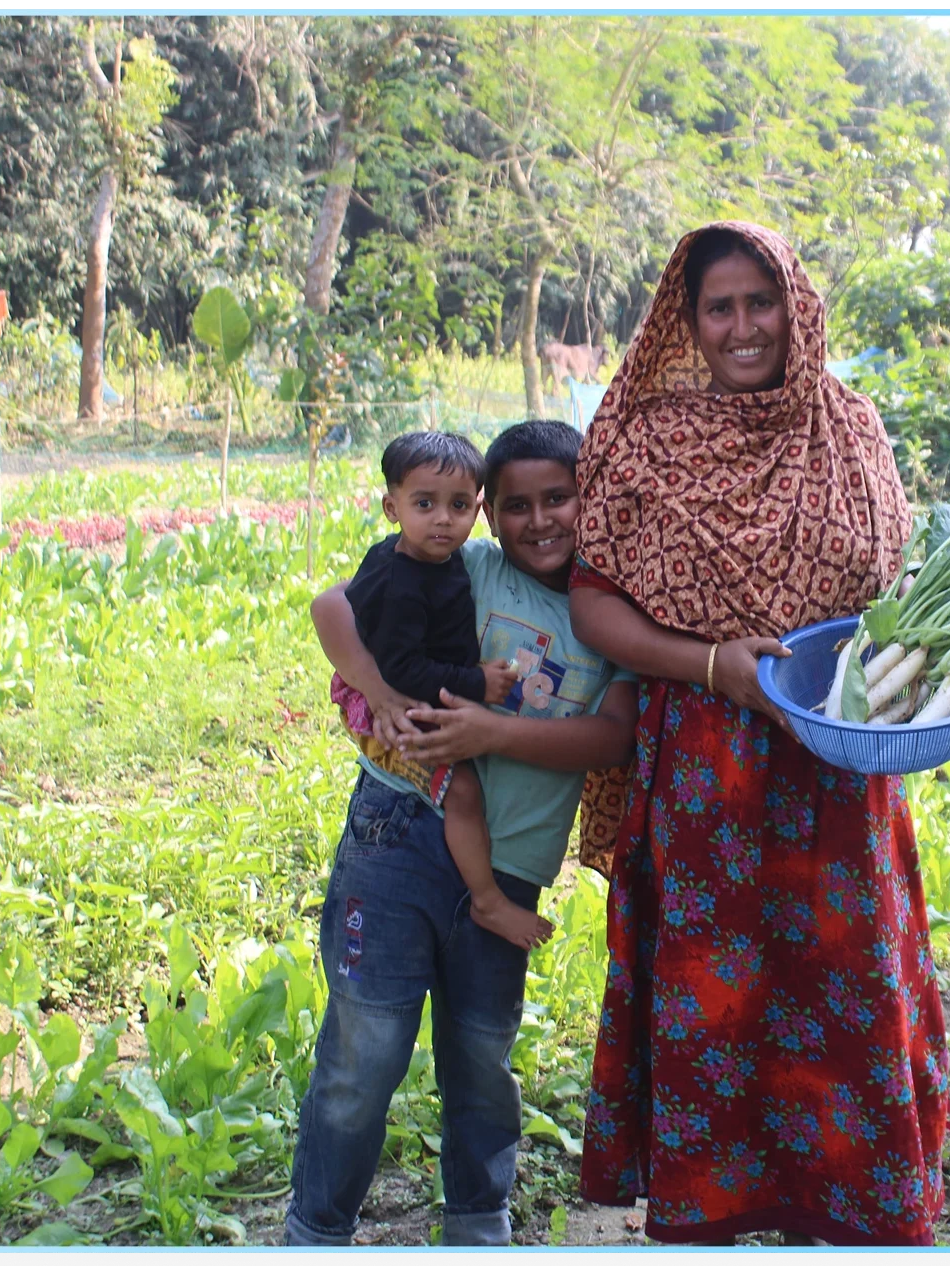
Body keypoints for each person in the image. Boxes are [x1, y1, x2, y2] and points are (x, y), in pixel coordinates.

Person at [567, 221, 950, 1246]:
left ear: (796, 306)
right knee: (717, 999)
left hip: (836, 765)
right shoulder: (647, 441)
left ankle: (842, 1205)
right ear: (687, 322)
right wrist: (712, 664)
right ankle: (713, 1209)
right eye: (719, 307)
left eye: (760, 301)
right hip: (709, 773)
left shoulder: (849, 427)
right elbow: (592, 604)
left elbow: (890, 591)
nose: (743, 326)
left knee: (844, 984)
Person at [287, 419, 639, 1248]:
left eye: (559, 498)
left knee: (482, 1058)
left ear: (590, 500)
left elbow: (614, 737)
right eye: (516, 505)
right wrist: (377, 691)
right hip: (398, 831)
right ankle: (316, 1232)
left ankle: (478, 1226)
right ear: (489, 514)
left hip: (511, 864)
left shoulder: (610, 614)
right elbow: (333, 609)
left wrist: (490, 732)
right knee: (364, 1050)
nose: (540, 520)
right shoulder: (466, 566)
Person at [329, 431, 551, 951]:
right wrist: (477, 682)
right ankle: (486, 899)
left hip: (415, 692)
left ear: (478, 507)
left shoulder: (434, 558)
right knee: (464, 792)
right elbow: (402, 669)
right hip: (399, 706)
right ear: (392, 508)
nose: (444, 520)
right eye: (424, 504)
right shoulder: (403, 583)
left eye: (458, 506)